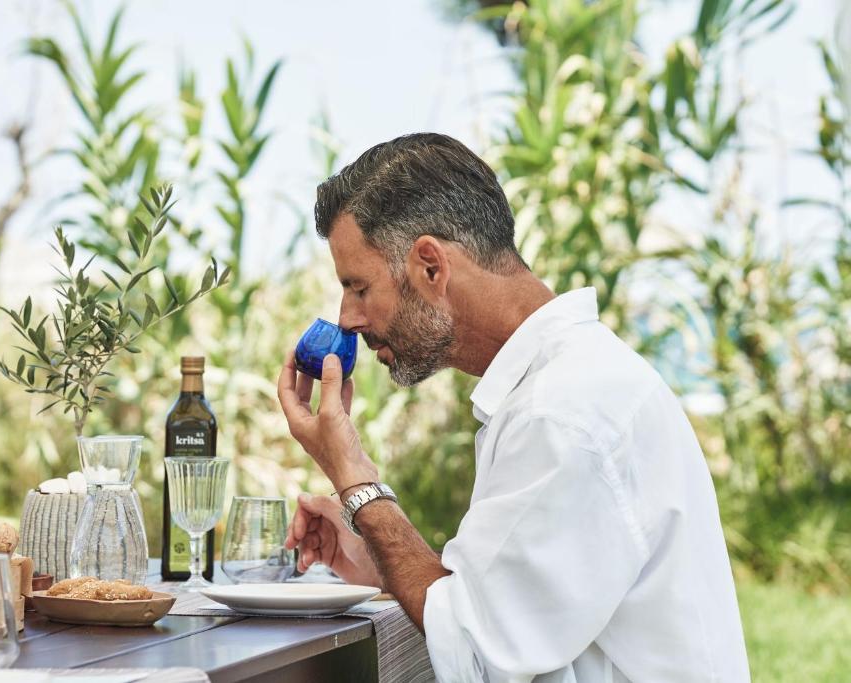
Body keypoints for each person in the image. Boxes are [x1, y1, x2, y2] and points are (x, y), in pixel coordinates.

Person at [277, 133, 749, 682]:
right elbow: (495, 608)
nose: (348, 318)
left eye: (358, 287)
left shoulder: (563, 412)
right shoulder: (569, 382)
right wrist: (371, 553)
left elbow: (478, 656)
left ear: (431, 266)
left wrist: (356, 480)